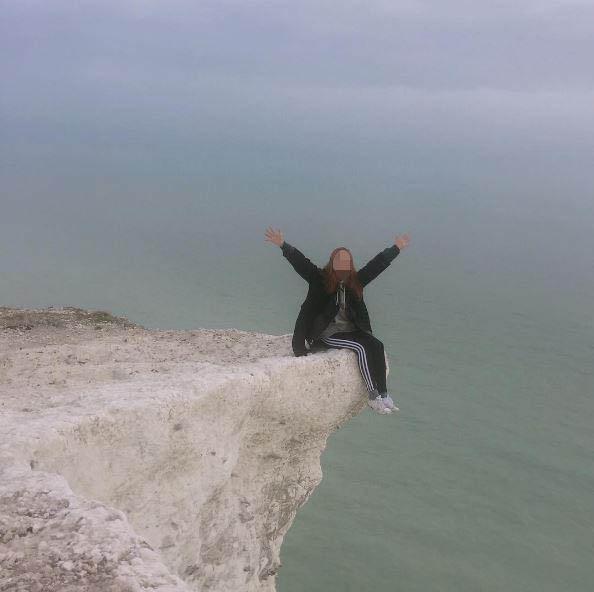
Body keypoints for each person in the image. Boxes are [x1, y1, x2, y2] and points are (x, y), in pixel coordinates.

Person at [265, 226, 411, 415]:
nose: (343, 265)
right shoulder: (320, 280)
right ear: (332, 263)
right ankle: (373, 396)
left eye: (346, 262)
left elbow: (376, 266)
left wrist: (396, 248)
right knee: (360, 348)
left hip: (351, 330)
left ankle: (384, 394)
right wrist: (283, 245)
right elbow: (302, 263)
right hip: (327, 332)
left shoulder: (355, 282)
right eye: (339, 261)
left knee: (377, 345)